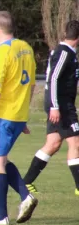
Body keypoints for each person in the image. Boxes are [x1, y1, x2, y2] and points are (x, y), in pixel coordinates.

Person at [0, 11, 38, 225]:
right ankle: (24, 197)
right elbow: (32, 85)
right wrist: (22, 115)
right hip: (17, 116)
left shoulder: (1, 54)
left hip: (2, 116)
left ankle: (2, 216)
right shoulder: (26, 48)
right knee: (1, 159)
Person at [23, 20, 79, 196]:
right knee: (76, 143)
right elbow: (53, 79)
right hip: (61, 105)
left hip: (61, 103)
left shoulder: (68, 52)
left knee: (53, 143)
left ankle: (25, 182)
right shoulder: (64, 53)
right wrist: (55, 106)